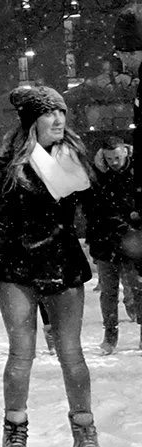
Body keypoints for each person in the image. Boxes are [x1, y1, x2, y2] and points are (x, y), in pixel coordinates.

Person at [0, 85, 113, 447]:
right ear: (33, 121)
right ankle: (14, 435)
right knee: (21, 354)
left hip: (63, 267)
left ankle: (85, 432)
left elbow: (101, 210)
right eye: (50, 114)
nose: (59, 120)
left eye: (62, 113)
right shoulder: (11, 165)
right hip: (17, 270)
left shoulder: (75, 161)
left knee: (71, 354)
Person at [86, 137, 142, 355]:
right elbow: (93, 209)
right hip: (105, 243)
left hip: (132, 242)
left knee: (138, 290)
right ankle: (110, 336)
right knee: (108, 293)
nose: (114, 162)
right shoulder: (97, 176)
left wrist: (133, 219)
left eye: (117, 157)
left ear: (126, 153)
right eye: (109, 158)